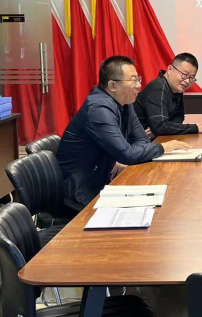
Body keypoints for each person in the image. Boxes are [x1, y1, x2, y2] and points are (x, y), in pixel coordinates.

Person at [57, 55, 191, 208]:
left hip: (103, 179)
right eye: (133, 80)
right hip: (81, 192)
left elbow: (142, 139)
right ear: (113, 85)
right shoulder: (99, 108)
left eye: (138, 79)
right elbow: (127, 154)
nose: (139, 85)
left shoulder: (125, 103)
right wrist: (163, 147)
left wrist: (130, 153)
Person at [135, 52, 202, 137]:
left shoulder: (176, 88)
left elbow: (179, 116)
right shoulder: (158, 88)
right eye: (184, 75)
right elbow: (160, 126)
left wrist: (164, 129)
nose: (187, 81)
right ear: (170, 69)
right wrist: (196, 128)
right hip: (137, 141)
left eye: (191, 78)